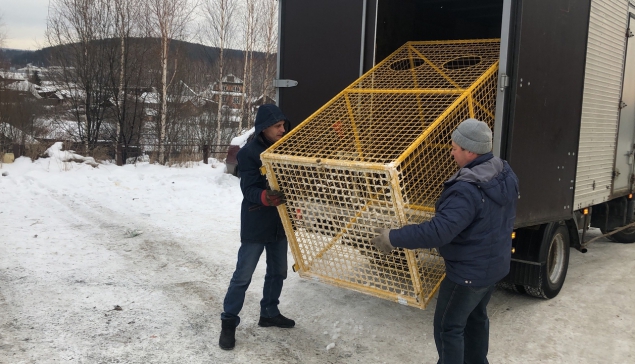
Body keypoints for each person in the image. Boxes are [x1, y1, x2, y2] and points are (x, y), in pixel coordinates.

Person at [371, 118, 519, 364]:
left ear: (470, 151)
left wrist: (392, 237)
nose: (451, 153)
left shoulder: (468, 190)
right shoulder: (503, 170)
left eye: (454, 148)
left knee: (448, 328)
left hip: (467, 274)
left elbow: (439, 231)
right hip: (494, 266)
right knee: (476, 319)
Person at [219, 104, 295, 350]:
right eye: (278, 126)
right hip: (256, 223)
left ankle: (269, 313)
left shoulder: (284, 148)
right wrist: (266, 198)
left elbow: (291, 183)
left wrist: (294, 205)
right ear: (264, 128)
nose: (283, 130)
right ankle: (229, 323)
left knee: (278, 272)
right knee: (243, 276)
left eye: (283, 125)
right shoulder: (249, 153)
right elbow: (249, 189)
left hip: (279, 224)